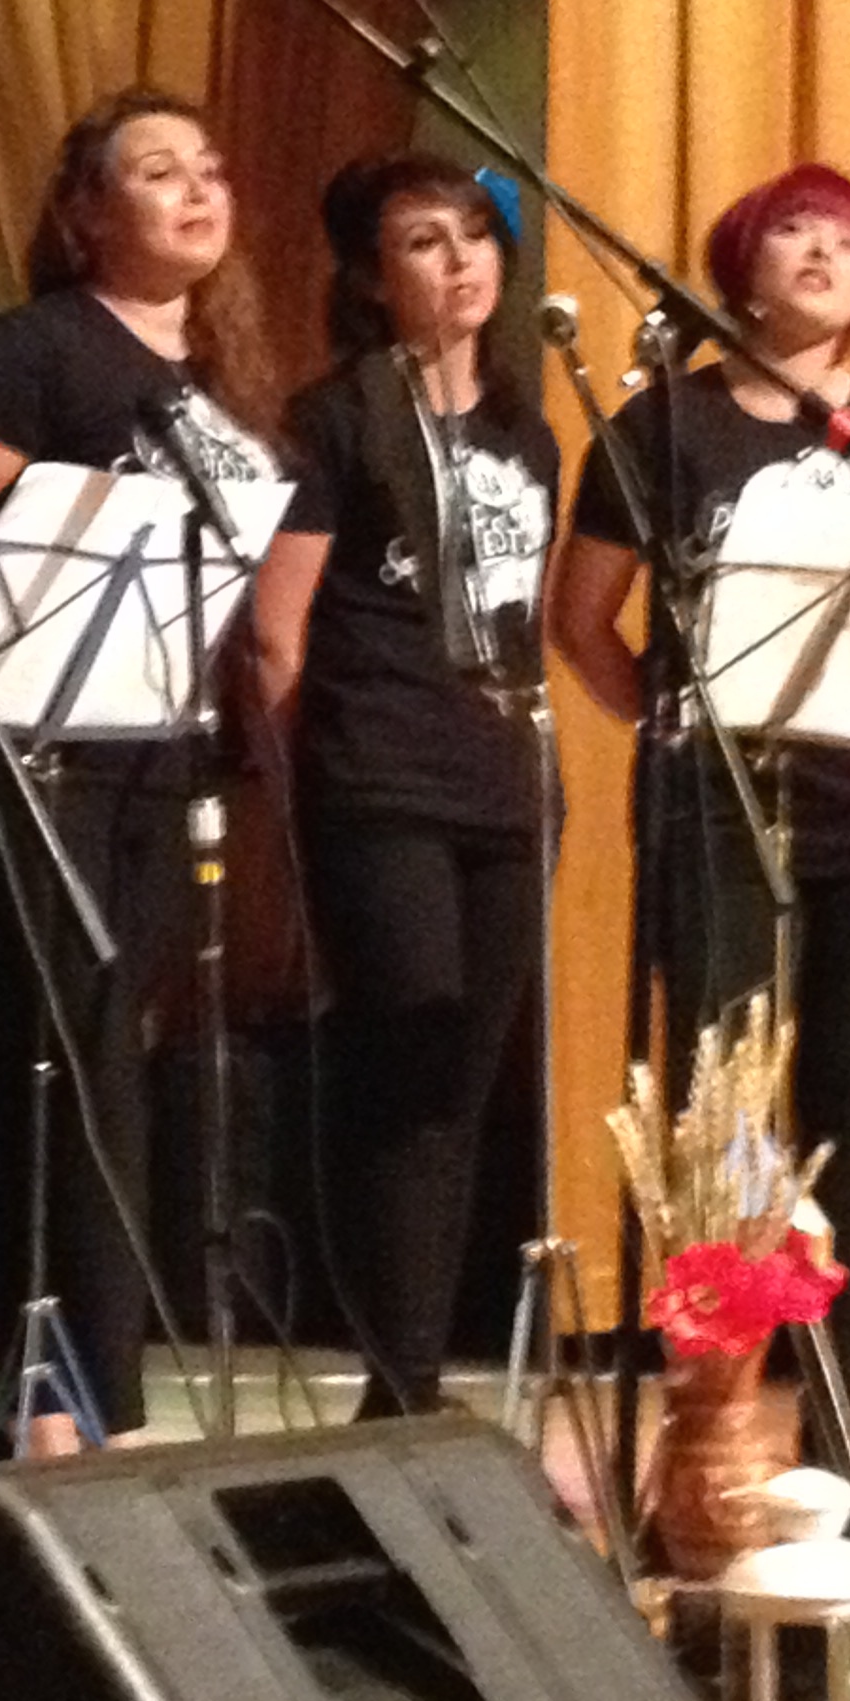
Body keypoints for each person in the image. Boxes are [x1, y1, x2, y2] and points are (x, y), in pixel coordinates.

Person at [545, 162, 850, 1446]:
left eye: (847, 236)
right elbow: (581, 618)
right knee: (720, 1116)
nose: (824, 252)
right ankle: (712, 1425)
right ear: (741, 265)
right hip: (718, 811)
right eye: (795, 230)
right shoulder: (666, 428)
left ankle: (839, 1433)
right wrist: (673, 726)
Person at [0, 90, 285, 1450]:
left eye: (210, 168)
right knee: (71, 1064)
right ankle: (78, 1406)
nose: (197, 190)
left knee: (117, 1054)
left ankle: (74, 1395)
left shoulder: (223, 378)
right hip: (38, 751)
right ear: (83, 213)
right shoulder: (33, 351)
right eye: (156, 171)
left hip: (158, 752)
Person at [252, 154, 558, 1415]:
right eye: (425, 241)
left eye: (474, 234)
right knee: (409, 1074)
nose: (460, 259)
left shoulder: (526, 427)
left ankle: (414, 1380)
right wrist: (301, 800)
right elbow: (277, 634)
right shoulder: (335, 418)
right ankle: (400, 1383)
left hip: (504, 787)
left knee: (468, 1088)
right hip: (380, 778)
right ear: (375, 282)